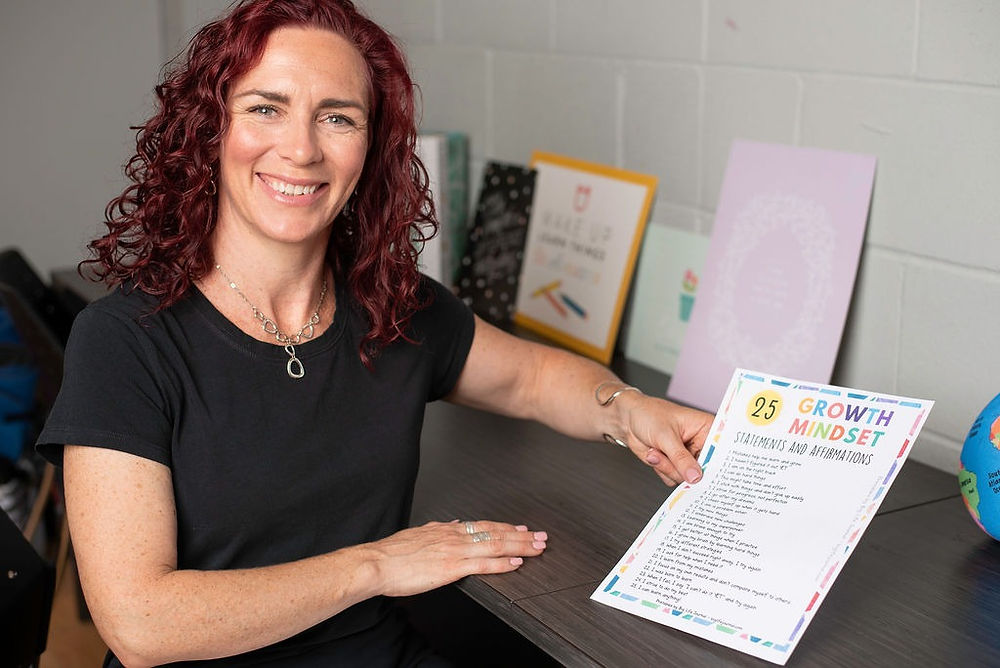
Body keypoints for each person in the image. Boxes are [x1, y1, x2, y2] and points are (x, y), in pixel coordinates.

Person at [37, 1, 713, 665]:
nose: (301, 149)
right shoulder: (126, 341)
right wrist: (378, 566)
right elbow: (140, 624)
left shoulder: (390, 305)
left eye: (337, 117)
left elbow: (533, 380)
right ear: (210, 130)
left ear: (371, 148)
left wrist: (625, 408)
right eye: (266, 108)